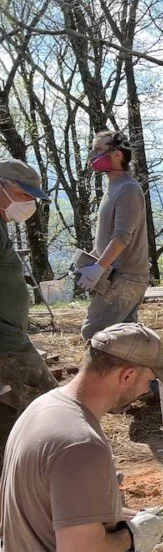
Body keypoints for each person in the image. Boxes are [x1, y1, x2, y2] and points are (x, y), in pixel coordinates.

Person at [0, 323, 163, 552]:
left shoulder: (44, 406)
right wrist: (132, 536)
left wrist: (115, 514)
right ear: (127, 375)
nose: (146, 390)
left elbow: (43, 505)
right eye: (148, 381)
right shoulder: (80, 444)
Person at [0, 158, 57, 464]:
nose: (29, 203)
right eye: (23, 194)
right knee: (51, 408)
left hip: (8, 337)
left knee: (8, 414)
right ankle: (76, 476)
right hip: (6, 343)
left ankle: (12, 480)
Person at [76, 131, 151, 340]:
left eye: (98, 149)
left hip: (125, 276)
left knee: (94, 335)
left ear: (117, 154)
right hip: (120, 275)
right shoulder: (114, 187)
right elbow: (109, 237)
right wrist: (90, 261)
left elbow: (121, 237)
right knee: (124, 340)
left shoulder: (128, 189)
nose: (93, 155)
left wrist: (98, 269)